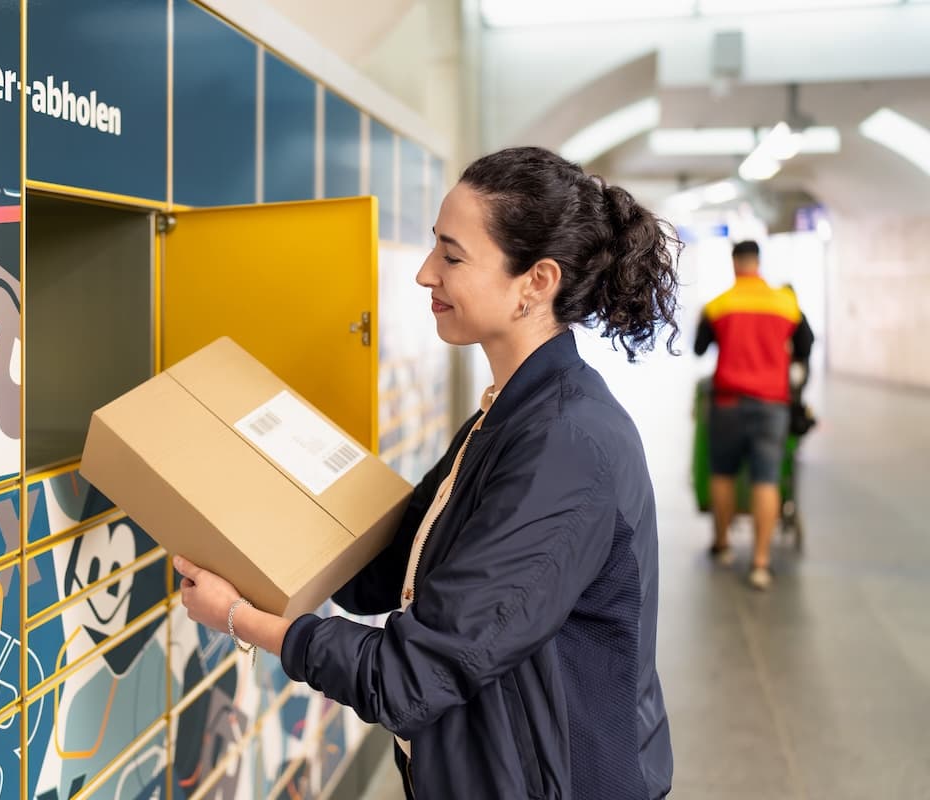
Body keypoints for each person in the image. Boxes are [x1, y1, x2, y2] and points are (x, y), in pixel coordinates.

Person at [175, 147, 676, 799]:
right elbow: (381, 574)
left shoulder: (566, 446)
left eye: (452, 255)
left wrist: (240, 617)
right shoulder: (506, 416)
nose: (422, 274)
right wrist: (238, 509)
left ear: (536, 282)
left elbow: (408, 678)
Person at [694, 241, 814, 590]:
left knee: (722, 474)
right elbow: (805, 347)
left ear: (735, 264)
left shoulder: (719, 304)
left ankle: (723, 546)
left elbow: (700, 347)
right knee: (767, 480)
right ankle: (761, 562)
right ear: (758, 263)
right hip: (772, 404)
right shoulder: (786, 304)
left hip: (728, 402)